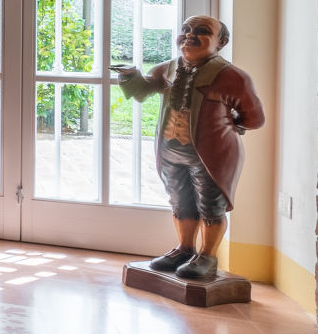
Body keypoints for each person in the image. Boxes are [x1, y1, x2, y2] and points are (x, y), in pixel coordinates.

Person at [114, 15, 265, 282]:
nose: (189, 35)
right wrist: (128, 75)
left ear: (221, 42)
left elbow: (254, 118)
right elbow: (142, 91)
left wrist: (230, 126)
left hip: (210, 156)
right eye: (185, 30)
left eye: (202, 31)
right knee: (180, 203)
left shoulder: (232, 77)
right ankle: (184, 249)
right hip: (171, 151)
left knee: (210, 206)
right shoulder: (168, 69)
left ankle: (207, 256)